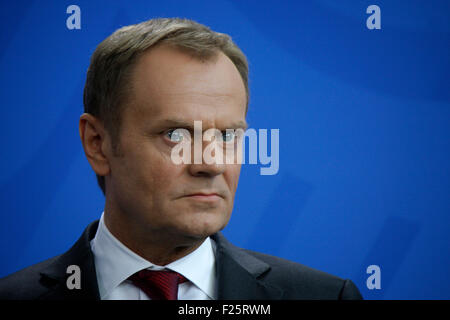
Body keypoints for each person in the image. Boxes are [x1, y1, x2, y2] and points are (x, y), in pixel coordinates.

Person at [0, 18, 362, 300]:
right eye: (176, 134)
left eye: (228, 136)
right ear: (97, 143)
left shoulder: (326, 296)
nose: (212, 163)